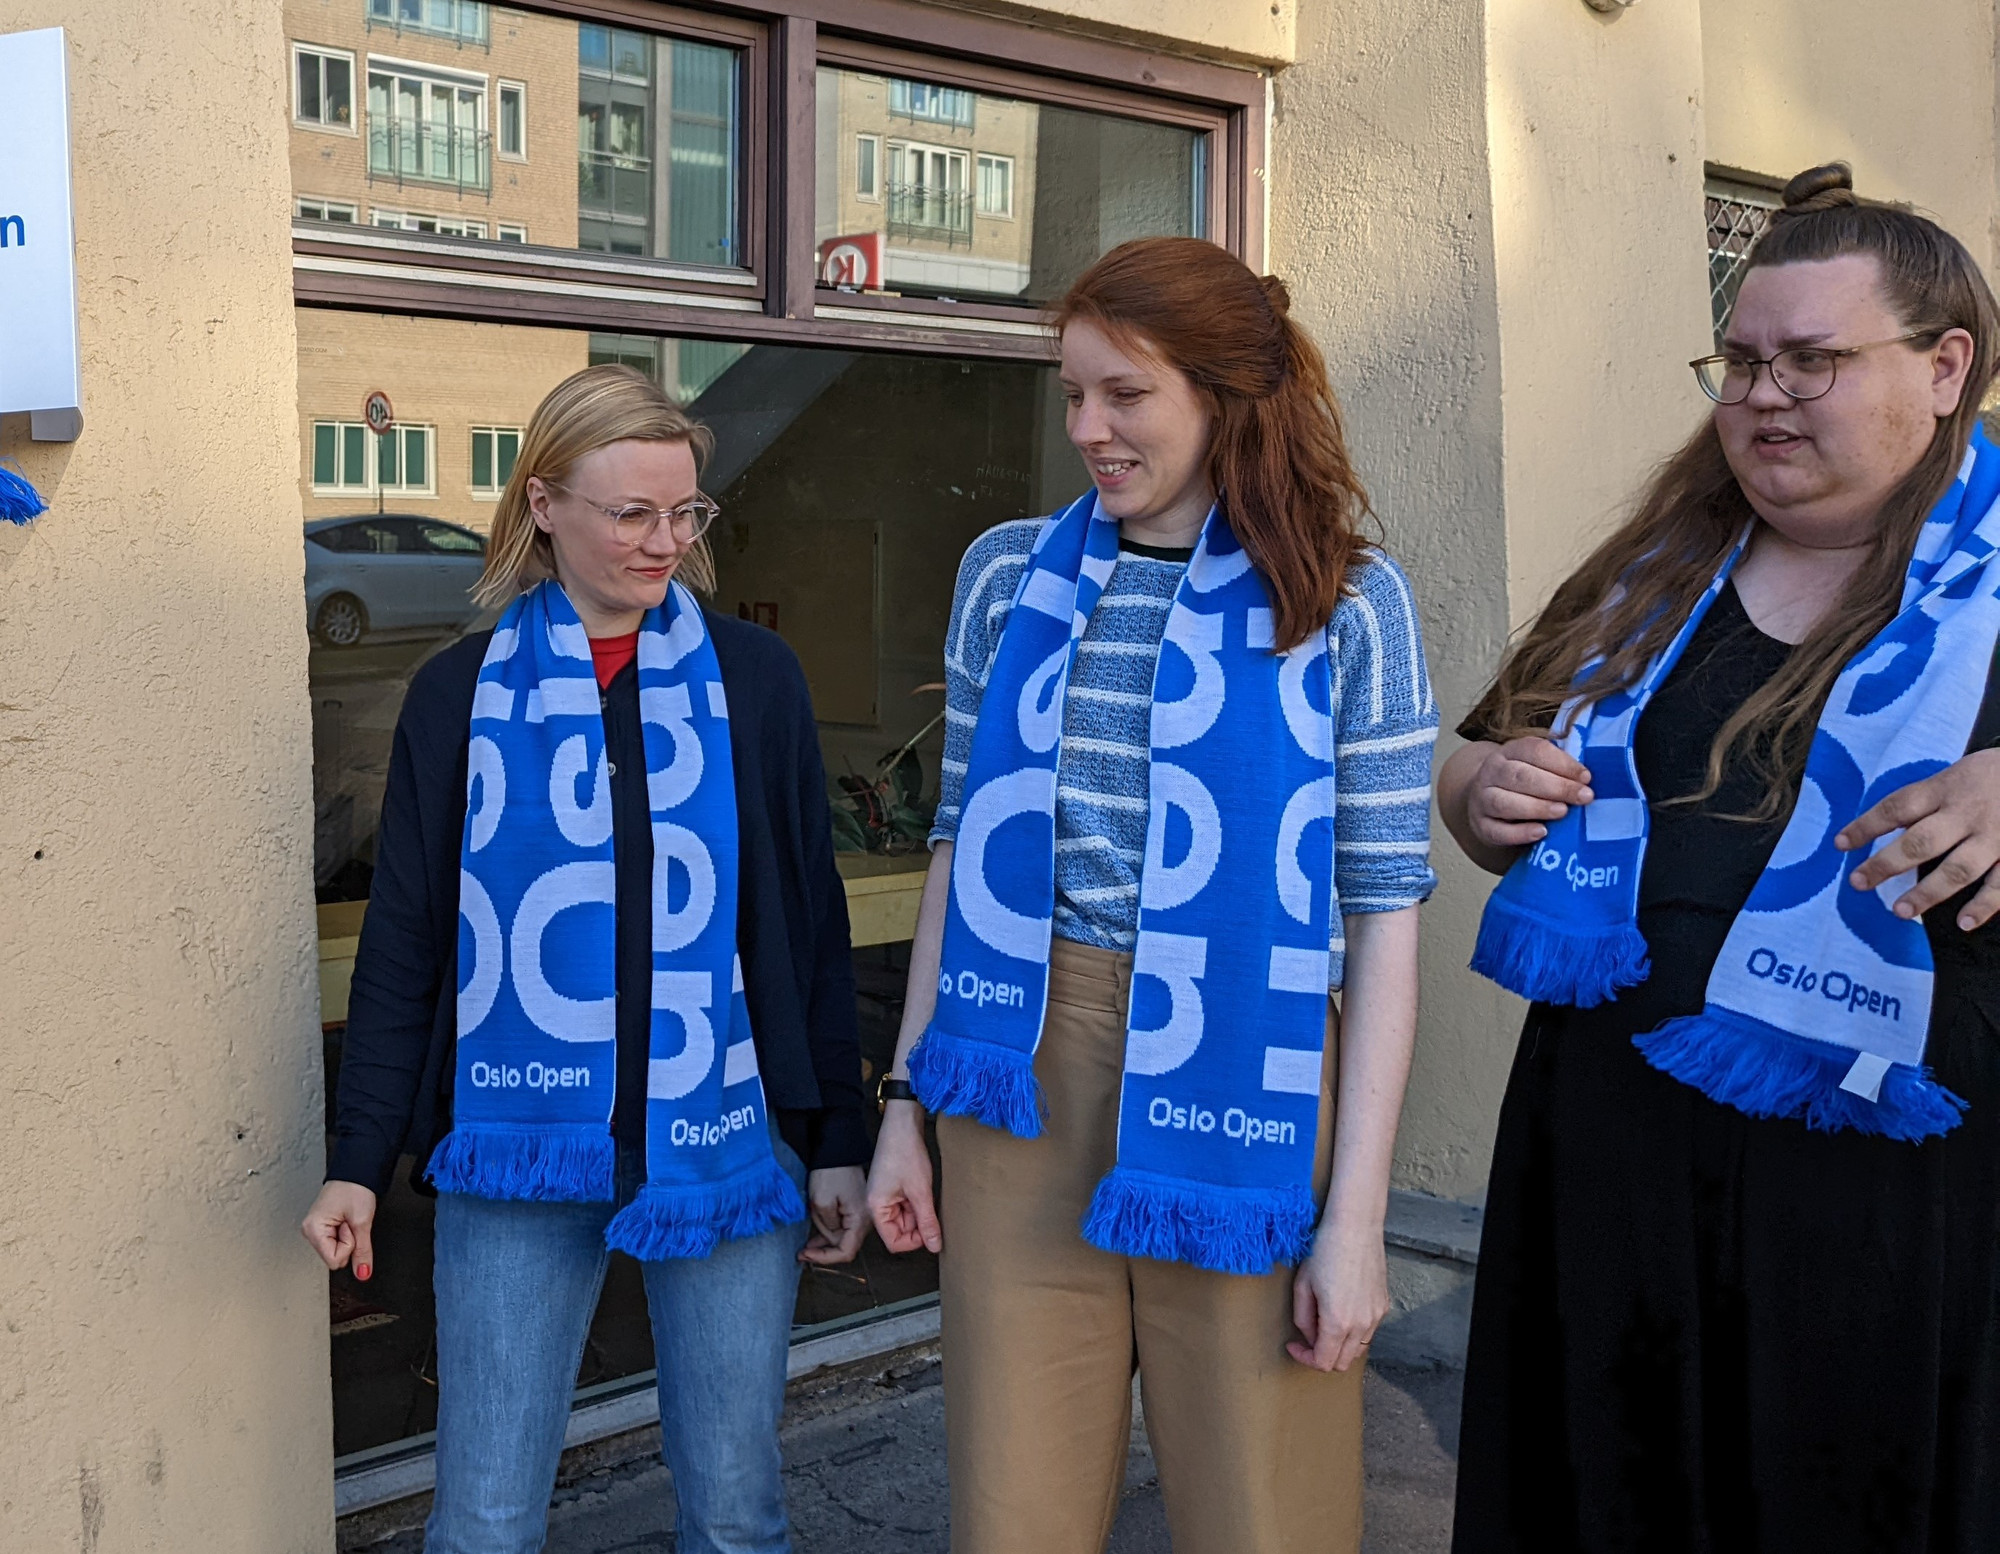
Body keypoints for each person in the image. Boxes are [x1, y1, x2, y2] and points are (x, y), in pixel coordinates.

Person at [1441, 164, 2000, 1551]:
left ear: (1945, 368)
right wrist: (1477, 788)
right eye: (1743, 358)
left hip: (1891, 1213)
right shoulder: (1656, 565)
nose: (1763, 392)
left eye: (1813, 359)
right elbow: (1473, 755)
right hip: (1611, 1176)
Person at [865, 237, 1437, 1554]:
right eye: (1072, 394)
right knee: (1014, 1502)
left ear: (1225, 393)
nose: (1087, 429)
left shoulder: (1349, 599)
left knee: (1264, 1503)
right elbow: (959, 848)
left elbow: (1385, 916)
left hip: (1254, 1053)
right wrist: (905, 1105)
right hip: (1017, 1062)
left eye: (1125, 394)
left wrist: (1356, 1223)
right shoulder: (1008, 575)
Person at [299, 365, 871, 1554]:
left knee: (733, 1510)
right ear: (544, 504)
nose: (666, 543)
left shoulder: (753, 683)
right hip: (512, 1156)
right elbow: (407, 938)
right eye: (632, 514)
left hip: (725, 1137)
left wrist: (838, 1144)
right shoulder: (456, 695)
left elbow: (804, 923)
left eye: (686, 513)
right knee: (486, 1518)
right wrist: (358, 1160)